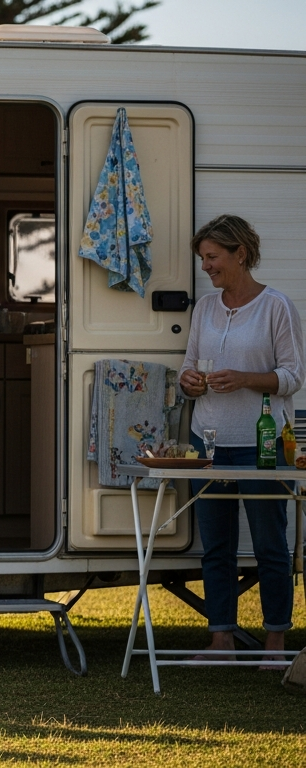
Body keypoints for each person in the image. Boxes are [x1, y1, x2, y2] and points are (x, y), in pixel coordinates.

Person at [177, 214, 304, 668]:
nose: (206, 267)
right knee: (216, 547)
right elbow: (189, 366)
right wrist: (189, 381)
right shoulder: (206, 309)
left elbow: (293, 376)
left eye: (212, 257)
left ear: (240, 254)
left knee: (271, 545)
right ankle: (221, 643)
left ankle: (276, 644)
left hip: (262, 444)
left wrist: (247, 379)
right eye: (203, 259)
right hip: (208, 442)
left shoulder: (276, 307)